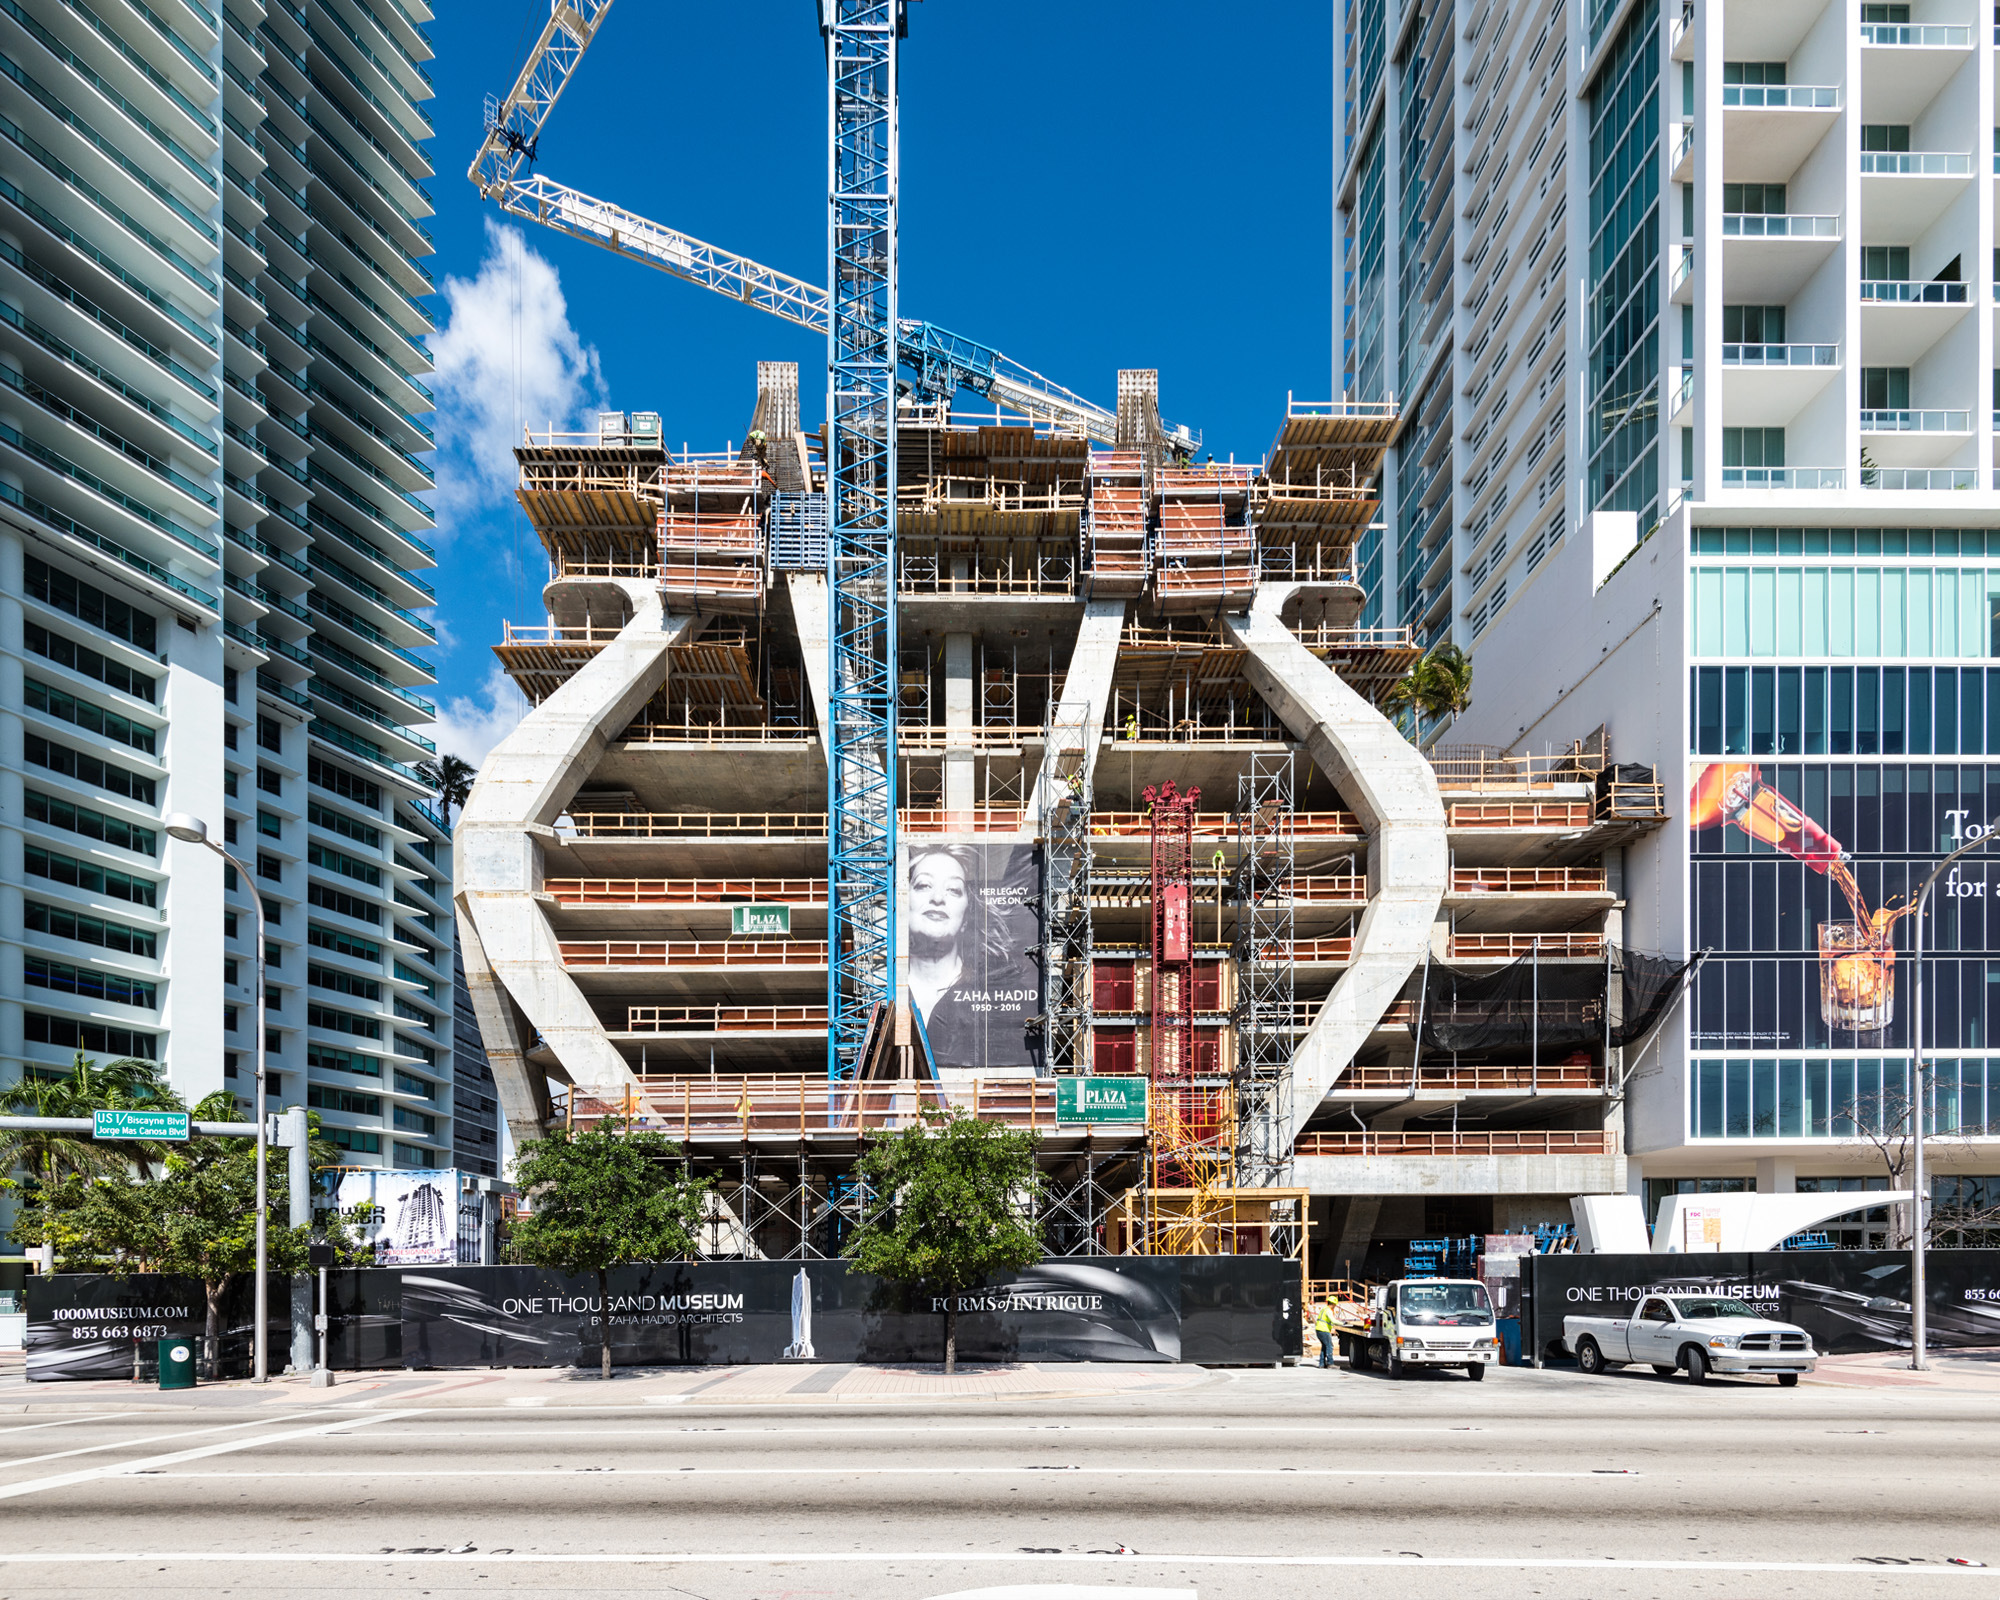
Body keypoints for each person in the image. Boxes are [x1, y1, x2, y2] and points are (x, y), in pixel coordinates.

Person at [907, 845, 1037, 1072]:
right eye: (923, 885)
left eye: (953, 890)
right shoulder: (884, 991)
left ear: (967, 915)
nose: (937, 898)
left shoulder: (1002, 990)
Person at [1314, 1298, 1337, 1369]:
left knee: (1324, 1346)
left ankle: (1322, 1364)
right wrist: (1343, 1323)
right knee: (1329, 1346)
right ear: (1333, 1304)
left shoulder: (1324, 1309)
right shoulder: (1328, 1311)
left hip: (1319, 1330)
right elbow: (1333, 1320)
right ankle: (1330, 1363)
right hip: (1324, 1330)